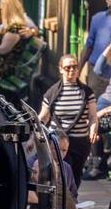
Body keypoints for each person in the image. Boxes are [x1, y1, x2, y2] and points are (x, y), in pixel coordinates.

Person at [38, 56, 99, 187]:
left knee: (76, 174)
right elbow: (43, 116)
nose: (72, 70)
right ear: (60, 69)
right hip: (58, 140)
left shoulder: (87, 92)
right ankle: (62, 201)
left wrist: (93, 129)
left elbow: (93, 115)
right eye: (67, 67)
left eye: (75, 67)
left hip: (80, 141)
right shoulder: (52, 93)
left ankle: (72, 201)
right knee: (62, 172)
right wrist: (34, 132)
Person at [0, 0, 44, 105]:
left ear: (7, 9)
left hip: (3, 71)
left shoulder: (15, 28)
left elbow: (3, 49)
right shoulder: (10, 27)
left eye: (1, 8)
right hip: (0, 67)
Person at [53, 128, 78, 209]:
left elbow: (73, 192)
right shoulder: (34, 164)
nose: (61, 154)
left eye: (64, 150)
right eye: (57, 150)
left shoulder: (66, 167)